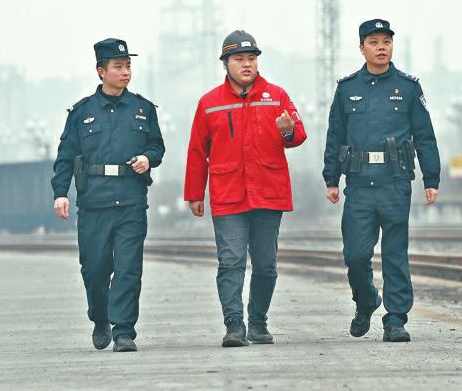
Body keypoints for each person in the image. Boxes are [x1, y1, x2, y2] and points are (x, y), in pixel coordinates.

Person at [184, 30, 307, 347]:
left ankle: (258, 322)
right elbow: (197, 150)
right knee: (231, 262)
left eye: (251, 58)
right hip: (228, 195)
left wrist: (288, 131)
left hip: (268, 193)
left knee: (266, 265)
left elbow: (298, 135)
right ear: (225, 63)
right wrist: (195, 193)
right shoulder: (209, 103)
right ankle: (234, 325)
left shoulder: (277, 96)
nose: (247, 64)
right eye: (239, 59)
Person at [322, 19, 440, 343]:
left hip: (395, 184)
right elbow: (335, 135)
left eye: (386, 41)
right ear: (362, 48)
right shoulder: (347, 89)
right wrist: (331, 178)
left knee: (395, 254)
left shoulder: (408, 88)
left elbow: (425, 137)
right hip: (359, 186)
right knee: (356, 255)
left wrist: (431, 178)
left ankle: (396, 319)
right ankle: (365, 301)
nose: (381, 47)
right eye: (373, 42)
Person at [51, 37, 165, 353]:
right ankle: (100, 317)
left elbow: (157, 146)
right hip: (94, 203)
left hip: (131, 201)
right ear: (101, 71)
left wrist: (148, 158)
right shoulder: (81, 113)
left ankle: (124, 330)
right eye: (118, 66)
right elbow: (65, 156)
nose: (126, 72)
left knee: (128, 268)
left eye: (128, 65)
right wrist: (61, 193)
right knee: (95, 269)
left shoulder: (143, 109)